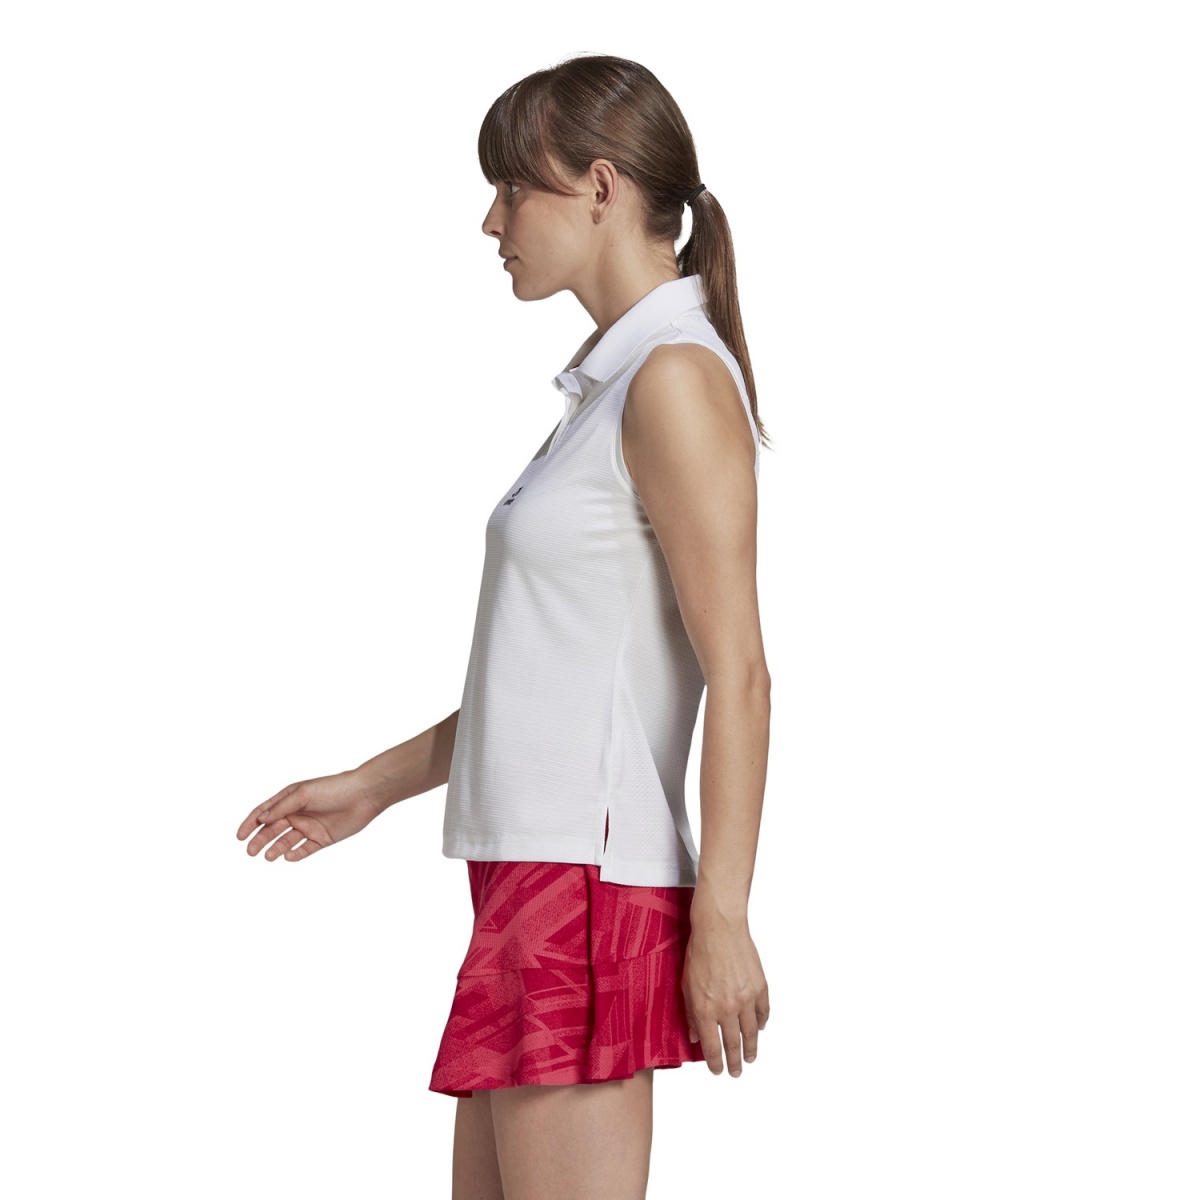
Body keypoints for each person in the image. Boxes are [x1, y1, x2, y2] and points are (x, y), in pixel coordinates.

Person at [235, 52, 772, 1200]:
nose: (492, 221)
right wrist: (374, 784)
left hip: (585, 884)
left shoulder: (673, 379)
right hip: (530, 873)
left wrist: (723, 913)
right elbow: (552, 684)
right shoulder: (609, 390)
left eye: (513, 188)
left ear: (600, 187)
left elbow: (740, 671)